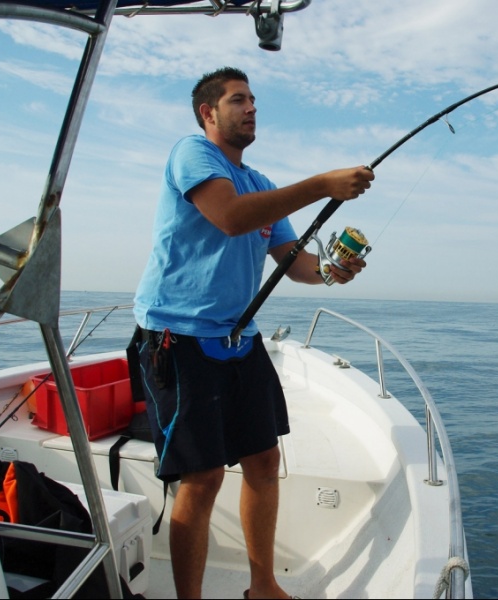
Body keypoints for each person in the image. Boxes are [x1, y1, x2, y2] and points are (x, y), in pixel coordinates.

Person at [132, 66, 374, 600]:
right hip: (180, 338)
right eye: (238, 100)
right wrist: (320, 186)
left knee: (264, 461)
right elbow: (231, 218)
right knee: (204, 477)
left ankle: (262, 586)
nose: (251, 109)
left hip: (239, 337)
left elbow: (296, 264)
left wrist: (332, 271)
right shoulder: (191, 154)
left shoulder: (261, 183)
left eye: (254, 101)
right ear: (208, 113)